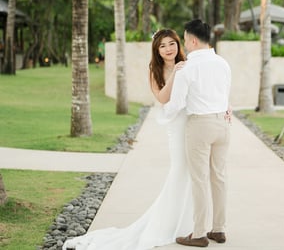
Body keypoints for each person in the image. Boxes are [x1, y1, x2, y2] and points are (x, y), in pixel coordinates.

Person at [62, 28, 193, 250]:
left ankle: (190, 223)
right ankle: (171, 224)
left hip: (194, 122)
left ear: (179, 44)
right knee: (180, 170)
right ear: (157, 50)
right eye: (163, 46)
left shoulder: (190, 63)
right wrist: (175, 75)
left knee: (194, 173)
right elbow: (162, 98)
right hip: (177, 126)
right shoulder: (156, 69)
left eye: (172, 44)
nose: (168, 49)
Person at [162, 19, 232, 248]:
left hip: (200, 126)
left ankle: (200, 233)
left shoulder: (187, 68)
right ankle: (219, 229)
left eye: (184, 39)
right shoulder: (223, 63)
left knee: (199, 179)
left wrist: (163, 111)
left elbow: (177, 104)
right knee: (219, 177)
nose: (184, 43)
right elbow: (225, 95)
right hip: (223, 124)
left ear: (192, 40)